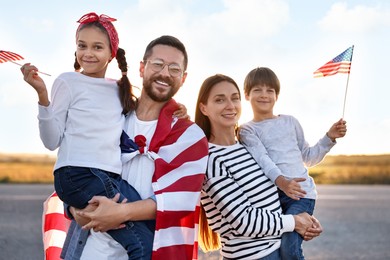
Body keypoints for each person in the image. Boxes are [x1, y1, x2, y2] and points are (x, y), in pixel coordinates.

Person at [21, 12, 168, 260]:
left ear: (112, 52)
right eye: (82, 46)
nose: (88, 53)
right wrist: (42, 96)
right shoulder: (67, 81)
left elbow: (145, 113)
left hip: (104, 176)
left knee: (148, 234)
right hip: (80, 173)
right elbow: (51, 140)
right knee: (144, 244)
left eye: (97, 47)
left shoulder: (119, 89)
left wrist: (177, 109)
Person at [60, 35, 209, 260]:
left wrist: (121, 213)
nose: (165, 73)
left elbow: (179, 200)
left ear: (183, 78)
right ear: (142, 68)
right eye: (158, 64)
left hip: (148, 250)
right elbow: (77, 165)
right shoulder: (112, 117)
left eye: (174, 68)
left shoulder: (190, 135)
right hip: (92, 249)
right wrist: (74, 210)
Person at [195, 74, 323, 260]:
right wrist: (295, 222)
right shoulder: (211, 159)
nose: (230, 105)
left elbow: (271, 199)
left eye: (234, 98)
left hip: (278, 249)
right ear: (203, 108)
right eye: (219, 100)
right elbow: (245, 221)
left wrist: (305, 219)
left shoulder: (248, 147)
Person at [239, 67, 347, 259]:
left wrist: (329, 137)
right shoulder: (247, 130)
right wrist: (282, 182)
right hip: (271, 198)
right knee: (274, 247)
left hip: (301, 194)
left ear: (277, 95)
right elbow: (263, 160)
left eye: (270, 90)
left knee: (289, 246)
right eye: (257, 90)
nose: (264, 95)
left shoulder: (291, 122)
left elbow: (308, 157)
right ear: (247, 95)